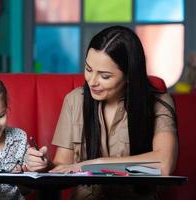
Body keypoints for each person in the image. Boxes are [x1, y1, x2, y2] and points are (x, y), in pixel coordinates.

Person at [26, 26, 179, 199]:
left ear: (129, 75)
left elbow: (163, 164)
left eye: (104, 76)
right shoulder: (75, 100)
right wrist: (44, 166)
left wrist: (92, 165)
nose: (92, 82)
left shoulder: (158, 103)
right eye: (88, 69)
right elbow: (64, 166)